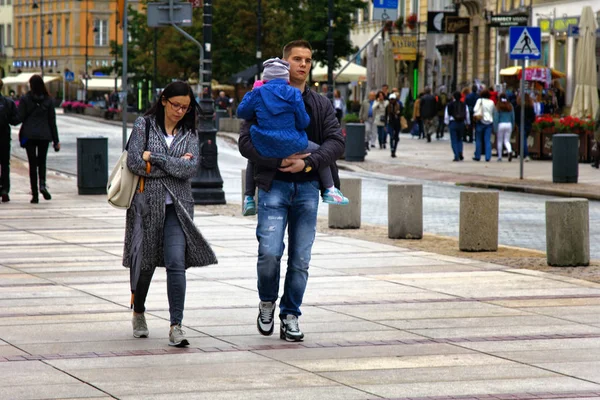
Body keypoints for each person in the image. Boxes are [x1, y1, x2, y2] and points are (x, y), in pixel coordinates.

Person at [238, 40, 345, 342]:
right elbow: (245, 142)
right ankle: (267, 301)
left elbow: (337, 143)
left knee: (300, 259)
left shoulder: (320, 103)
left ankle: (291, 314)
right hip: (273, 186)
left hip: (308, 189)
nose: (303, 65)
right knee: (269, 253)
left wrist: (308, 164)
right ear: (285, 63)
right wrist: (277, 160)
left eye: (308, 60)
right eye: (297, 59)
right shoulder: (262, 95)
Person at [124, 81, 217, 347]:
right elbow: (134, 162)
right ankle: (139, 311)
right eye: (176, 105)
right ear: (164, 100)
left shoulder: (190, 132)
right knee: (145, 264)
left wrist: (156, 159)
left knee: (176, 262)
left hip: (178, 207)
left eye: (185, 107)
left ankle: (176, 325)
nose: (180, 111)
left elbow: (191, 169)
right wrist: (176, 164)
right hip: (146, 206)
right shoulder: (144, 124)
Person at [237, 57, 348, 215]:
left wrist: (252, 94)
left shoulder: (257, 94)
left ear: (265, 78)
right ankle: (330, 189)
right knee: (319, 151)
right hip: (291, 142)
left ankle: (248, 197)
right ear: (286, 77)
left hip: (264, 142)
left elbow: (242, 112)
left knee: (253, 159)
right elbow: (304, 121)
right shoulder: (294, 93)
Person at [17, 75, 60, 204]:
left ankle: (34, 194)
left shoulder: (25, 99)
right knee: (42, 162)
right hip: (44, 136)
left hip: (29, 136)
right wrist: (56, 141)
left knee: (32, 164)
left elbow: (20, 117)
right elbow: (52, 122)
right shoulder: (48, 100)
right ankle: (42, 184)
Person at [0, 79, 21, 203]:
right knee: (5, 164)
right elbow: (15, 120)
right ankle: (5, 189)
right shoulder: (8, 102)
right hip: (4, 137)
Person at [445, 91, 470, 162]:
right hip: (461, 123)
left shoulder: (450, 105)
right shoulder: (464, 105)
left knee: (454, 140)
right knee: (460, 139)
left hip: (453, 122)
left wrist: (447, 123)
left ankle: (456, 155)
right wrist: (468, 123)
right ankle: (460, 152)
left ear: (453, 97)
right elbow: (467, 114)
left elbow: (447, 115)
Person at [472, 89, 495, 162]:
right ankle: (488, 156)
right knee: (487, 140)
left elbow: (475, 109)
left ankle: (477, 155)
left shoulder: (479, 100)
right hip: (489, 122)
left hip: (480, 121)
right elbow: (493, 111)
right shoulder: (491, 102)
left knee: (478, 139)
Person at [493, 93, 515, 162]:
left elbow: (496, 118)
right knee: (507, 141)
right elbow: (513, 117)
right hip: (509, 124)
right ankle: (509, 150)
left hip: (500, 124)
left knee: (500, 141)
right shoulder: (510, 106)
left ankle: (499, 157)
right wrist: (513, 125)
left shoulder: (498, 106)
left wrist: (495, 128)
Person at [515, 93, 536, 162]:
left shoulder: (518, 107)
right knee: (524, 139)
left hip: (521, 124)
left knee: (523, 139)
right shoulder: (530, 107)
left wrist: (518, 124)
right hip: (528, 125)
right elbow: (533, 117)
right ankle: (522, 154)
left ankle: (526, 154)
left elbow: (516, 117)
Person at [386, 93, 402, 158]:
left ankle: (394, 150)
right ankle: (392, 149)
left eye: (393, 99)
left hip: (397, 123)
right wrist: (385, 124)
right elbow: (385, 115)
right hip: (390, 123)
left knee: (396, 138)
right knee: (391, 136)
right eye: (391, 99)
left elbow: (401, 113)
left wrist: (398, 113)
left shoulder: (399, 105)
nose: (392, 101)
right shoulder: (388, 107)